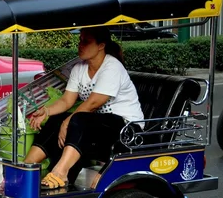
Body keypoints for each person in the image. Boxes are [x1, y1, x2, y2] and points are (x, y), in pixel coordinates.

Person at [24, 26, 144, 189]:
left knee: (77, 119)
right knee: (57, 119)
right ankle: (26, 167)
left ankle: (60, 173)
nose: (80, 45)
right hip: (99, 125)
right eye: (80, 41)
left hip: (126, 127)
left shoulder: (112, 67)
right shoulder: (79, 68)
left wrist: (69, 121)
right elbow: (67, 100)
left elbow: (94, 103)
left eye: (86, 42)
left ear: (101, 45)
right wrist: (46, 111)